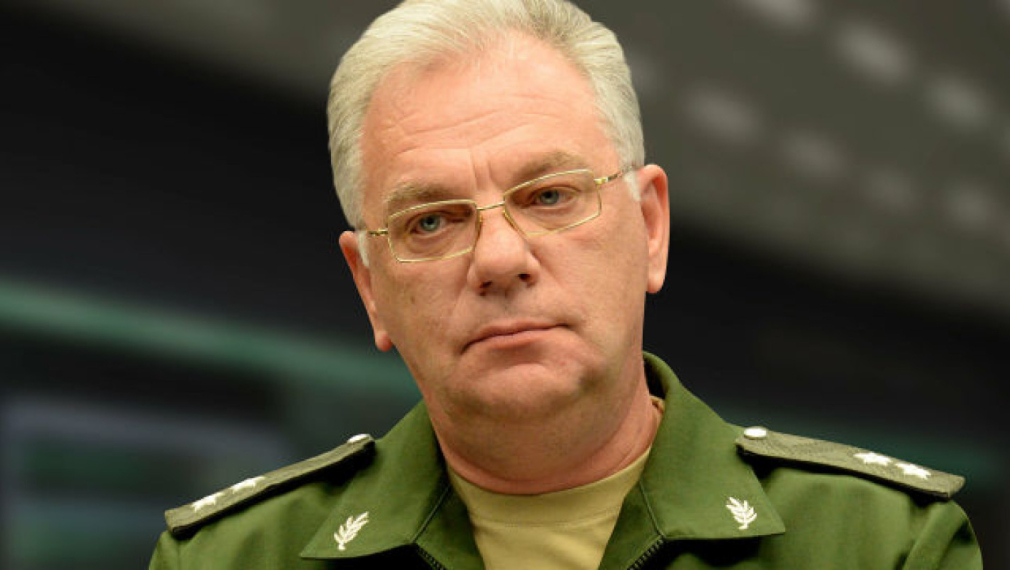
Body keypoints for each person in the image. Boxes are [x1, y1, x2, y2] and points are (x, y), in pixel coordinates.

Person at [149, 0, 982, 568]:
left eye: (549, 196)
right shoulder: (228, 559)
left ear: (650, 228)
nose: (498, 259)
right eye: (431, 221)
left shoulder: (881, 545)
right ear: (370, 286)